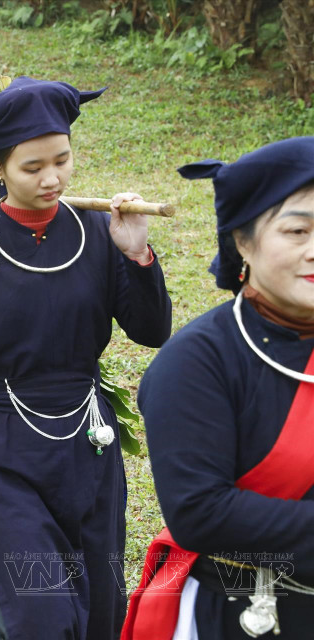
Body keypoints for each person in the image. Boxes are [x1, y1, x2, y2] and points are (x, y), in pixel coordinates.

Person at [0, 76, 173, 640]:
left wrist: (137, 255)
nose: (52, 178)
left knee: (99, 611)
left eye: (62, 160)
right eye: (32, 167)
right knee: (40, 615)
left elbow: (151, 332)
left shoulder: (96, 236)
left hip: (86, 442)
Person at [123, 137, 314, 640]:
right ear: (242, 242)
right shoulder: (196, 362)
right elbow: (200, 513)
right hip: (248, 613)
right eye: (298, 229)